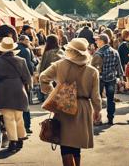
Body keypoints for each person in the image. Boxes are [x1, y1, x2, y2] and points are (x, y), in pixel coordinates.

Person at [40, 38, 101, 166]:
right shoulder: (92, 71)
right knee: (76, 144)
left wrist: (53, 92)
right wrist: (97, 110)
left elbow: (43, 77)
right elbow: (95, 96)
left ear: (70, 51)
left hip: (63, 105)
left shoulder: (60, 65)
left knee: (65, 142)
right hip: (83, 107)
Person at [0, 37, 32, 152]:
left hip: (4, 92)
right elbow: (27, 78)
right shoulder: (21, 60)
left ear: (2, 49)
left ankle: (13, 141)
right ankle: (21, 138)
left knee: (8, 118)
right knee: (19, 117)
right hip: (19, 90)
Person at [91, 34, 123, 125]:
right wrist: (121, 78)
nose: (96, 42)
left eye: (97, 40)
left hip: (100, 79)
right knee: (110, 99)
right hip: (111, 78)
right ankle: (110, 118)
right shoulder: (114, 51)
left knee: (97, 99)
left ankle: (97, 119)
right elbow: (119, 66)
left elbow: (93, 69)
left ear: (102, 41)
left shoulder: (98, 53)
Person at [16, 35, 39, 134]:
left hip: (16, 80)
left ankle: (19, 127)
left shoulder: (15, 48)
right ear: (22, 41)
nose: (29, 41)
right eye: (27, 40)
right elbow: (29, 65)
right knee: (25, 103)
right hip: (24, 80)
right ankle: (26, 126)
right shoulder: (26, 50)